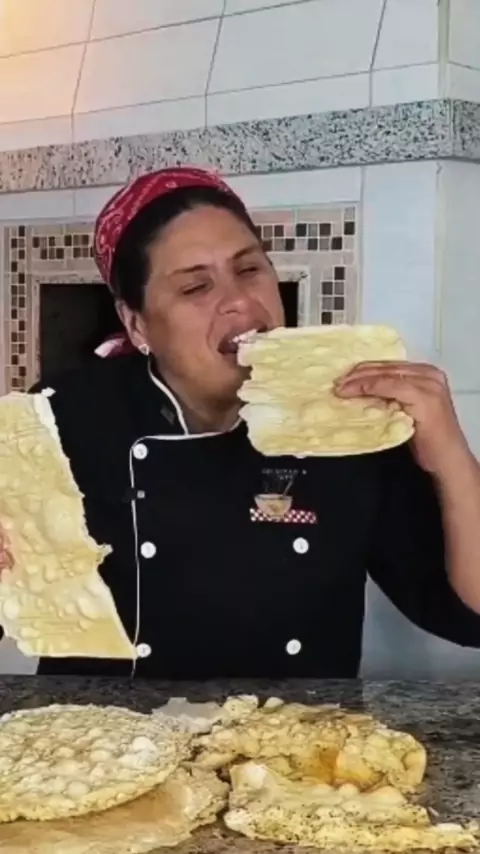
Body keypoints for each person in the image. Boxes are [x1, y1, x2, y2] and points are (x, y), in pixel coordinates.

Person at [29, 166, 480, 679]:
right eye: (196, 286)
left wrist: (451, 457)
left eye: (249, 269)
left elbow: (467, 615)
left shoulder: (348, 414)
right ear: (136, 324)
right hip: (103, 728)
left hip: (297, 728)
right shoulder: (63, 418)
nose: (240, 301)